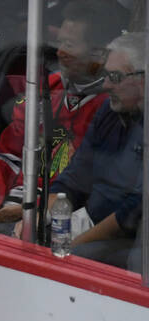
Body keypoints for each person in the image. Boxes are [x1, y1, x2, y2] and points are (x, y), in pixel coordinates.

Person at [0, 0, 121, 226]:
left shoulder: (112, 108)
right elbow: (8, 152)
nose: (60, 52)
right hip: (5, 206)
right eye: (59, 42)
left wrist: (32, 213)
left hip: (49, 221)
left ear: (100, 54)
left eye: (69, 44)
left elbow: (86, 190)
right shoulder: (46, 87)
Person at [42, 33, 144, 268]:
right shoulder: (108, 112)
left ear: (143, 79)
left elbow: (133, 212)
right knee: (19, 235)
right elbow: (74, 177)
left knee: (76, 258)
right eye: (105, 75)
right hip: (87, 223)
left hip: (129, 239)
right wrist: (39, 219)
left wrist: (72, 244)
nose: (106, 85)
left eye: (115, 77)